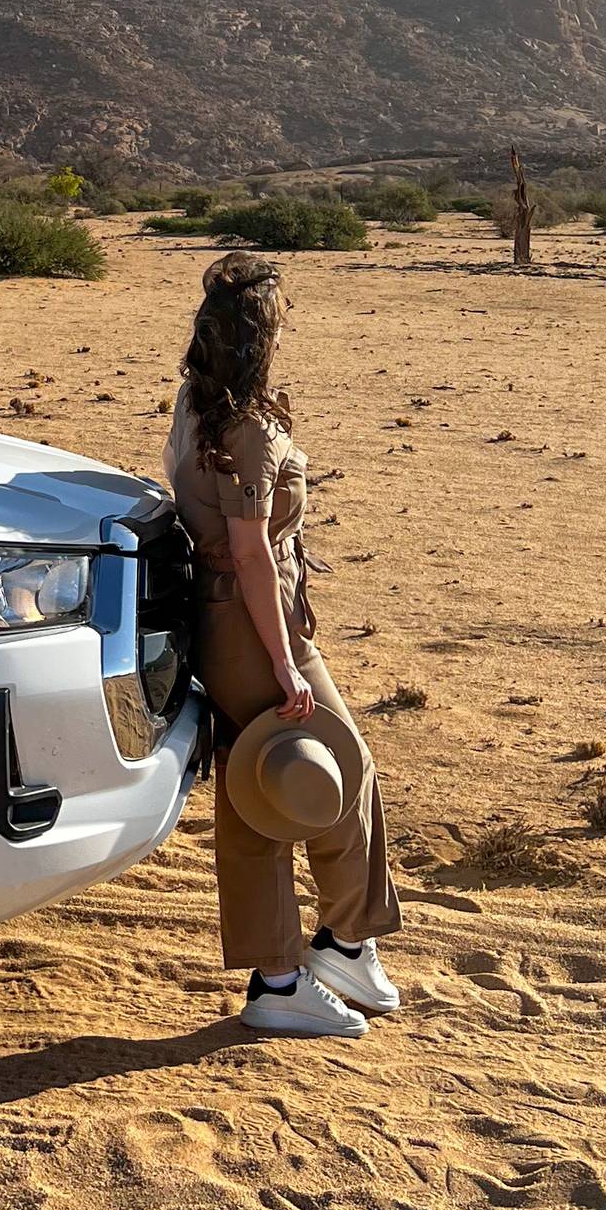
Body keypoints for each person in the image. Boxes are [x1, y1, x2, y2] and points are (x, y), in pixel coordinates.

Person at [164, 251, 402, 1035]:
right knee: (344, 759)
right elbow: (256, 550)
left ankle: (280, 975)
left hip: (215, 618)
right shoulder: (252, 431)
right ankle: (342, 940)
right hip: (255, 625)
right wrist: (280, 661)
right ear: (259, 341)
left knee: (252, 795)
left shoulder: (192, 410)